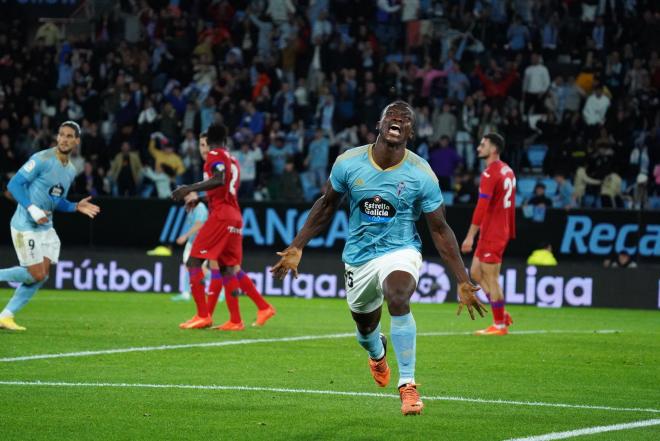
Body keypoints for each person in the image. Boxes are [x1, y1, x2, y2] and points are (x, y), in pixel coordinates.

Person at [271, 101, 485, 416]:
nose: (398, 119)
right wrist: (297, 245)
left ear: (411, 131)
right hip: (358, 257)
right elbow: (327, 204)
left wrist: (463, 278)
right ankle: (376, 351)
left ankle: (408, 386)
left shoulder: (421, 173)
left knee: (398, 296)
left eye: (406, 119)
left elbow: (439, 229)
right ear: (380, 124)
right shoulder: (349, 162)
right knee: (365, 328)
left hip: (401, 250)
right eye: (392, 116)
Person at [171, 124, 275, 330]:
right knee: (227, 267)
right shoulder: (231, 158)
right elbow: (225, 185)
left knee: (194, 261)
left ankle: (203, 314)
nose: (203, 149)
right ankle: (237, 319)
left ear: (209, 142)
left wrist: (187, 189)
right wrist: (199, 195)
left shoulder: (214, 155)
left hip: (221, 215)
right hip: (233, 214)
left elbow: (219, 180)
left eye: (204, 143)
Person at [0, 121, 100, 331]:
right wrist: (32, 209)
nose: (64, 139)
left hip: (45, 227)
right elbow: (13, 185)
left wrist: (75, 206)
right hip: (25, 224)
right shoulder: (41, 159)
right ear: (57, 137)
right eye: (61, 135)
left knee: (42, 275)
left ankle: (5, 316)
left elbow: (57, 201)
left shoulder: (71, 170)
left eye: (69, 136)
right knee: (35, 274)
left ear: (77, 141)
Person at [461, 133, 516, 336]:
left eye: (482, 145)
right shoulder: (508, 170)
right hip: (497, 229)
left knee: (492, 278)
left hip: (493, 231)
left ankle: (499, 325)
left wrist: (469, 236)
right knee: (475, 272)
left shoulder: (490, 174)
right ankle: (500, 313)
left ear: (493, 149)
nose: (478, 148)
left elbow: (481, 207)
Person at [171, 200, 209, 302]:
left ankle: (221, 288)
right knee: (189, 267)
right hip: (192, 242)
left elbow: (199, 224)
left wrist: (185, 236)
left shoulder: (200, 208)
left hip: (200, 243)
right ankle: (186, 292)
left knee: (200, 269)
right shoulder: (192, 207)